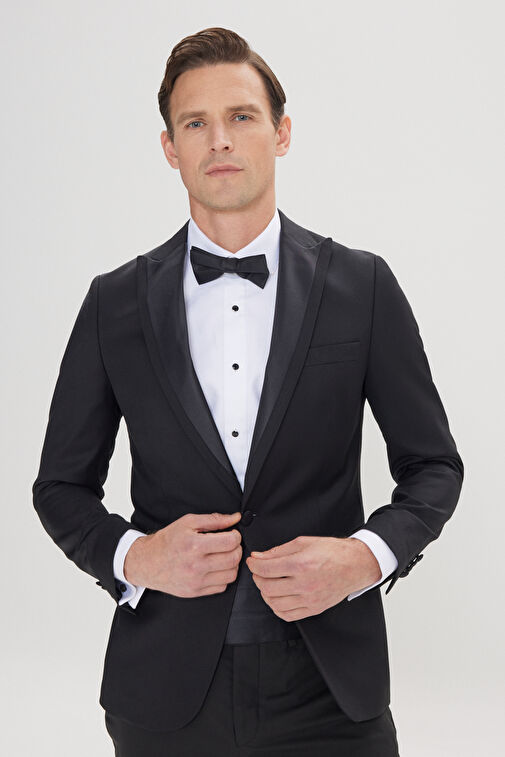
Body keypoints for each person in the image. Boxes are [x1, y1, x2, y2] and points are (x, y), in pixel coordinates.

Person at [32, 26, 464, 756]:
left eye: (241, 116)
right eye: (194, 123)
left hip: (331, 689)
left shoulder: (362, 286)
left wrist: (364, 557)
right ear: (170, 148)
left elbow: (434, 466)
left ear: (281, 132)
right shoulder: (114, 303)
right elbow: (60, 487)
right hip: (163, 691)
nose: (220, 140)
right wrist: (136, 557)